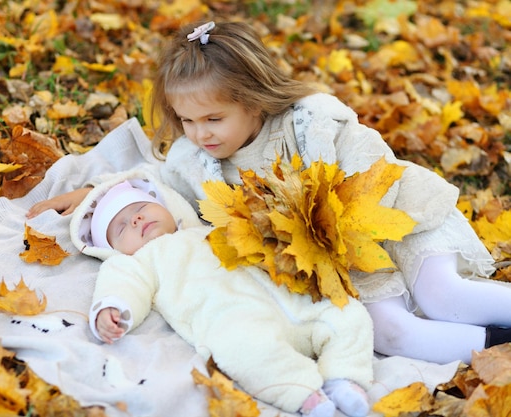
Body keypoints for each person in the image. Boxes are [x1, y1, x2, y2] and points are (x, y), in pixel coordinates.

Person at [28, 20, 511, 365]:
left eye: (214, 119)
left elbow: (373, 170)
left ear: (254, 100)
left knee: (442, 294)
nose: (201, 134)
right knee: (387, 333)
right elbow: (156, 188)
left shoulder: (311, 122)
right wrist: (98, 190)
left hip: (396, 217)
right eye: (187, 121)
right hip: (340, 263)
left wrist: (347, 227)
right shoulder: (194, 162)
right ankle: (498, 349)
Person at [68, 168, 375, 417]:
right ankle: (304, 393)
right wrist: (113, 308)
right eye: (121, 227)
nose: (135, 219)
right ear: (113, 249)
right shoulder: (138, 262)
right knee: (244, 350)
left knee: (346, 313)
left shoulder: (204, 229)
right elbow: (123, 286)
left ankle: (344, 377)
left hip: (286, 296)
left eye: (140, 208)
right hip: (232, 317)